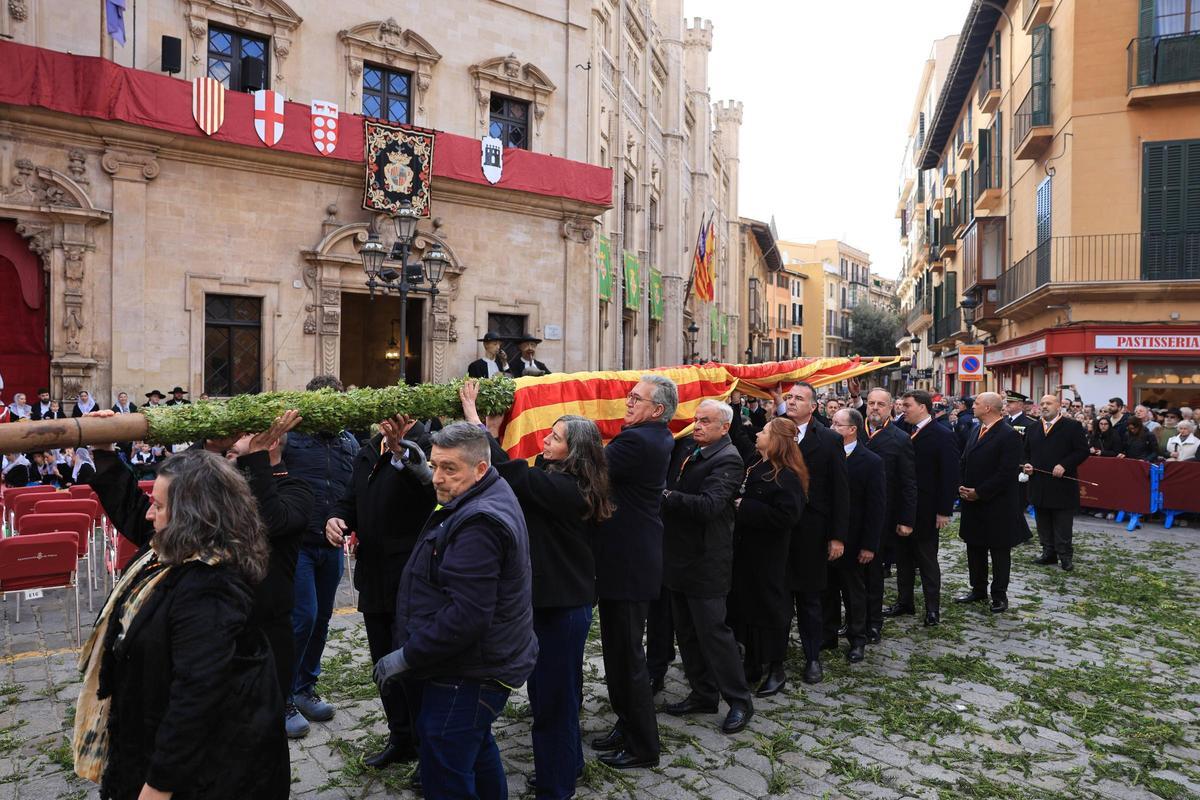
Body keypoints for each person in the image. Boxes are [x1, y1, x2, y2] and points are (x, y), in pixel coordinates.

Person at [72, 449, 289, 800]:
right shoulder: (170, 550)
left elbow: (197, 697)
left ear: (192, 516)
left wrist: (159, 786)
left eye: (158, 506)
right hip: (155, 736)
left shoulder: (210, 589)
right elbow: (132, 510)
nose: (149, 513)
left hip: (210, 774)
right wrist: (105, 452)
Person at [86, 409, 313, 715]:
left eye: (235, 452)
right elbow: (143, 517)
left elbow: (267, 520)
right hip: (197, 645)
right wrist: (105, 452)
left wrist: (254, 455)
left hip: (262, 641)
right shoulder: (210, 504)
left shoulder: (295, 491)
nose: (229, 457)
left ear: (268, 446)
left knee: (254, 730)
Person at [373, 422, 537, 798]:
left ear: (481, 468)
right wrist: (424, 473)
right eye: (434, 466)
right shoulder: (485, 490)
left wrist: (407, 656)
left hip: (469, 670)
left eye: (449, 468)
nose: (438, 478)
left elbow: (466, 617)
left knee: (445, 757)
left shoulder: (480, 523)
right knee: (474, 748)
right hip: (478, 661)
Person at [462, 385, 610, 799]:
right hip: (559, 604)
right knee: (558, 695)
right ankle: (568, 765)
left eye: (555, 438)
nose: (545, 440)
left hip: (562, 610)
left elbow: (511, 472)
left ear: (574, 452)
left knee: (552, 702)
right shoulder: (564, 480)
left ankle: (556, 787)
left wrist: (474, 419)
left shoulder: (565, 489)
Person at [328, 413, 434, 767]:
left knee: (413, 665)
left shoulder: (428, 445)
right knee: (383, 663)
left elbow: (430, 494)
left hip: (410, 577)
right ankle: (400, 737)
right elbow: (351, 498)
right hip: (373, 576)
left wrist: (401, 453)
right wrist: (336, 518)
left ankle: (426, 746)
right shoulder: (369, 449)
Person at [590, 375, 676, 770]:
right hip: (627, 560)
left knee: (627, 658)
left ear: (656, 409)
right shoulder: (653, 435)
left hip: (627, 563)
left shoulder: (638, 440)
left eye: (636, 398)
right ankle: (626, 725)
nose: (628, 401)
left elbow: (590, 471)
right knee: (618, 654)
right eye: (630, 395)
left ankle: (643, 746)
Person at [659, 400, 753, 734]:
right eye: (696, 419)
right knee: (686, 631)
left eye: (705, 421)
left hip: (706, 560)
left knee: (714, 634)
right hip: (680, 557)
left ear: (724, 427)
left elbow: (710, 505)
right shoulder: (693, 449)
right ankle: (703, 693)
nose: (697, 425)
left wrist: (667, 497)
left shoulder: (728, 459)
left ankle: (739, 701)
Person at [286, 375, 359, 738]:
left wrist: (350, 525)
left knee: (322, 619)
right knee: (303, 617)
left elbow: (355, 490)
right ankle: (282, 696)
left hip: (330, 546)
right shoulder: (290, 439)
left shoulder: (349, 442)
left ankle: (305, 687)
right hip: (296, 545)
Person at [728, 417, 807, 697]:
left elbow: (788, 516)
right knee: (747, 606)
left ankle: (776, 668)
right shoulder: (756, 464)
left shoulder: (787, 475)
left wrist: (746, 507)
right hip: (747, 551)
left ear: (776, 441)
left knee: (771, 609)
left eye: (763, 432)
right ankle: (752, 662)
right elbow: (739, 436)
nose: (757, 435)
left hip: (771, 555)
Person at [780, 381, 849, 685]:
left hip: (812, 531)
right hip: (779, 528)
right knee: (779, 598)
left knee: (809, 599)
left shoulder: (829, 439)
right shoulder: (776, 431)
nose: (792, 401)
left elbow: (840, 492)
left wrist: (837, 536)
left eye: (799, 398)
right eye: (789, 397)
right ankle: (775, 657)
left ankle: (812, 658)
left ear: (813, 406)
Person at [886, 390, 958, 627]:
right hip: (901, 506)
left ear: (923, 407)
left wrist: (944, 510)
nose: (903, 409)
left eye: (907, 405)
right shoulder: (902, 429)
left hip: (926, 508)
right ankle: (904, 601)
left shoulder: (942, 434)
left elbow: (949, 475)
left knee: (927, 561)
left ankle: (932, 609)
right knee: (903, 558)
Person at [956, 393, 1029, 612]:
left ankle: (999, 595)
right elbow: (965, 460)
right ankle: (978, 589)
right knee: (974, 547)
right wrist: (962, 486)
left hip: (997, 503)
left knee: (999, 551)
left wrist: (980, 492)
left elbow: (1006, 472)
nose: (973, 406)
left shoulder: (1008, 434)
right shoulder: (976, 429)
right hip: (972, 500)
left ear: (988, 408)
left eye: (977, 403)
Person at [825, 408, 885, 663]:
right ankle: (828, 634)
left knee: (854, 593)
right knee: (827, 589)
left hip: (854, 538)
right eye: (831, 423)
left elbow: (876, 507)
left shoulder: (871, 461)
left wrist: (869, 545)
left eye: (837, 425)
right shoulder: (827, 455)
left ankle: (857, 638)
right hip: (827, 536)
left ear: (852, 429)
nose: (831, 428)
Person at [862, 389, 917, 644]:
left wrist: (906, 519)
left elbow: (908, 483)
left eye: (880, 404)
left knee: (874, 573)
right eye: (871, 403)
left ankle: (873, 623)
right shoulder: (852, 430)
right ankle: (853, 619)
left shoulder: (900, 438)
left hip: (881, 516)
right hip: (852, 514)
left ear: (890, 407)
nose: (875, 408)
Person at [1024, 394, 1090, 572]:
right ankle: (1048, 552)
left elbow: (1082, 451)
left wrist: (1064, 465)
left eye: (1049, 403)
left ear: (1058, 406)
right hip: (1039, 483)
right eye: (1042, 403)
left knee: (1062, 523)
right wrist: (1026, 464)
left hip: (1061, 484)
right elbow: (1025, 452)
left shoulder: (1072, 426)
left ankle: (1065, 556)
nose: (1044, 406)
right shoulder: (1033, 427)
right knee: (1043, 521)